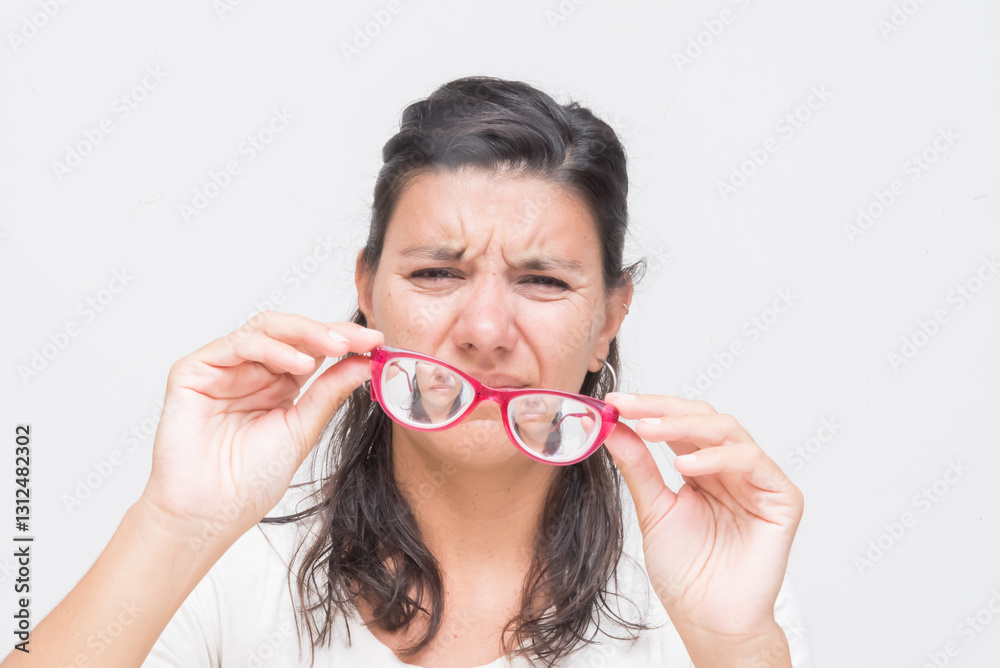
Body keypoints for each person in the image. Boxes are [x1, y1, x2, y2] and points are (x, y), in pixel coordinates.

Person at [1, 76, 811, 668]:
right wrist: (175, 525)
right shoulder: (225, 580)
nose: (486, 332)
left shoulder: (707, 596)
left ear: (609, 318)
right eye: (435, 275)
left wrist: (736, 648)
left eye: (543, 281)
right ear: (367, 293)